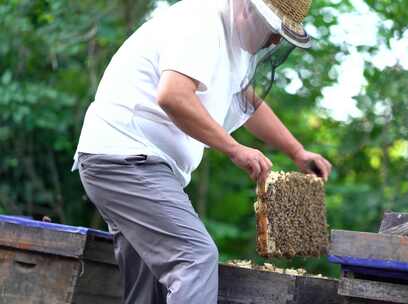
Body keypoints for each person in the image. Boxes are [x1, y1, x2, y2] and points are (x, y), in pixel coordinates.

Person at [73, 0, 332, 303]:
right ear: (247, 8)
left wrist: (297, 151)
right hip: (126, 159)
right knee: (194, 259)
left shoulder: (229, 41)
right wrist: (234, 148)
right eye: (274, 30)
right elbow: (173, 96)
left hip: (133, 162)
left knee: (149, 291)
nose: (274, 40)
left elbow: (247, 102)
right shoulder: (202, 21)